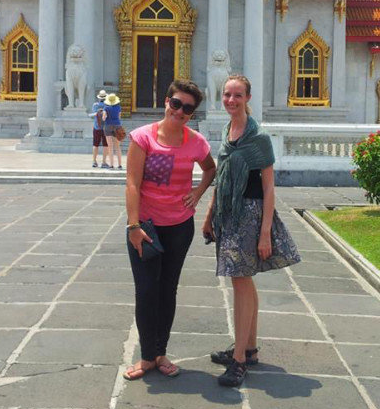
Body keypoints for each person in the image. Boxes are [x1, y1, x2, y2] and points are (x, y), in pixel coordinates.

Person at [202, 75, 301, 387]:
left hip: (250, 215)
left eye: (238, 95)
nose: (231, 100)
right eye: (227, 95)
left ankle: (240, 360)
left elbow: (269, 188)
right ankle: (249, 347)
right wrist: (208, 214)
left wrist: (264, 233)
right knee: (241, 282)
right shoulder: (226, 130)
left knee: (241, 281)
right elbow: (222, 176)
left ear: (248, 98)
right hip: (228, 215)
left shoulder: (259, 138)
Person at [124, 80, 216, 380]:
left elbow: (211, 168)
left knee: (167, 290)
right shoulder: (142, 138)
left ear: (192, 114)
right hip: (146, 228)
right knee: (146, 291)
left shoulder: (196, 142)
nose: (180, 111)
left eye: (187, 108)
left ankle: (160, 353)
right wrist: (134, 225)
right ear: (166, 101)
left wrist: (198, 193)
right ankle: (147, 356)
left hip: (179, 226)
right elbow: (133, 183)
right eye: (176, 104)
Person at [89, 89, 110, 168]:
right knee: (105, 145)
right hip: (105, 127)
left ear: (99, 98)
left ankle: (94, 161)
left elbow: (93, 115)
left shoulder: (95, 105)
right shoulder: (107, 106)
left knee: (95, 145)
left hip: (96, 127)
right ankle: (104, 162)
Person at [103, 92, 124, 169]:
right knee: (118, 146)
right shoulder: (118, 107)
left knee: (110, 146)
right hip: (117, 125)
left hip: (108, 125)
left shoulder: (106, 108)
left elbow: (104, 117)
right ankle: (119, 165)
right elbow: (119, 117)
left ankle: (111, 165)